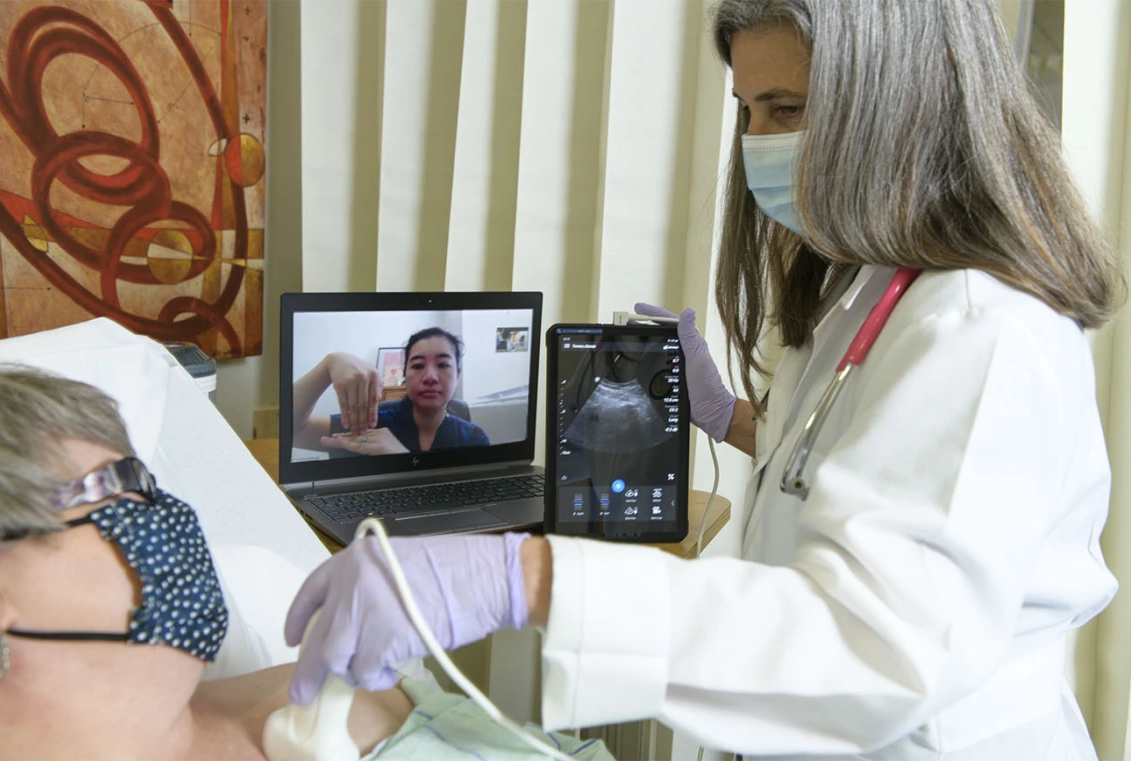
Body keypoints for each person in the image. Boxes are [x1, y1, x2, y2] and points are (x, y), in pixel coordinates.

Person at [282, 1, 1124, 759]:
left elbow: (873, 645)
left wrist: (519, 577)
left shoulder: (985, 325)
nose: (758, 144)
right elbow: (859, 466)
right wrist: (728, 418)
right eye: (748, 112)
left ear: (903, 96)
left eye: (785, 109)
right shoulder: (870, 283)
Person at [0, 366, 607, 760]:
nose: (167, 517)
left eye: (146, 482)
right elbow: (299, 427)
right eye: (105, 492)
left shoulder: (309, 689)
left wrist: (531, 578)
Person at [292, 327, 490, 456]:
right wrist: (329, 364)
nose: (430, 376)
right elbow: (292, 430)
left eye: (443, 364)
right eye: (418, 365)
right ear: (405, 374)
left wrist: (400, 457)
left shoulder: (473, 439)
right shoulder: (369, 425)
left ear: (458, 376)